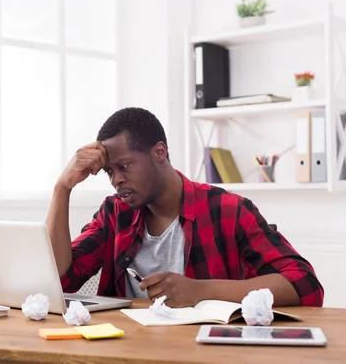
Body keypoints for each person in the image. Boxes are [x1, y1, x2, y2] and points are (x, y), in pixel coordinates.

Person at [46, 107, 324, 308]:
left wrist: (201, 290)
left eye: (124, 166)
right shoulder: (114, 214)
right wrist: (62, 188)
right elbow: (60, 279)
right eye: (109, 171)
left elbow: (305, 284)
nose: (116, 179)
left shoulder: (229, 210)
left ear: (159, 153)